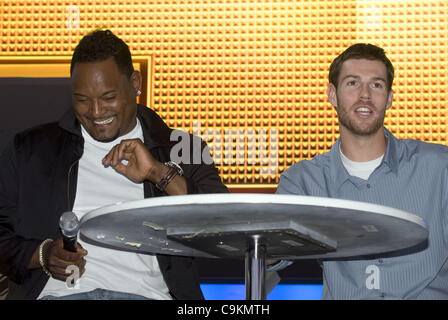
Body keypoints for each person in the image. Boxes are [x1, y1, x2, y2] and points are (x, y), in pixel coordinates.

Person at [0, 29, 229, 300]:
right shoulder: (31, 149)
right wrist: (42, 254)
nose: (96, 112)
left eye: (108, 98)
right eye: (82, 100)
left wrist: (158, 173)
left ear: (135, 83)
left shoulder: (183, 149)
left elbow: (224, 229)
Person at [276, 43, 448, 299]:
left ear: (389, 98)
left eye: (376, 85)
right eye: (352, 83)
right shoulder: (302, 181)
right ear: (332, 95)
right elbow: (269, 260)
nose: (365, 95)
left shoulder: (439, 167)